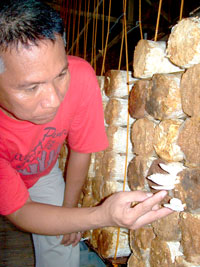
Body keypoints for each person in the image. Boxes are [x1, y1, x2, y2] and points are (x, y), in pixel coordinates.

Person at [0, 0, 173, 266]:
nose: (54, 100)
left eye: (60, 75)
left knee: (62, 245)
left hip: (42, 173)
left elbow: (81, 148)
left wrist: (69, 212)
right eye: (31, 88)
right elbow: (21, 211)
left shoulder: (79, 77)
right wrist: (102, 216)